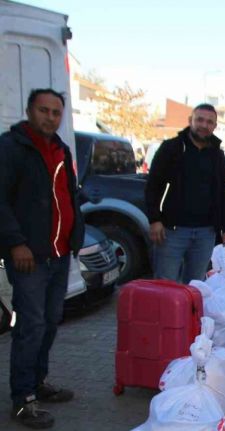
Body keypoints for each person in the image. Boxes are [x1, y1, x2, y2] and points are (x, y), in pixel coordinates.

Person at [0, 89, 85, 429]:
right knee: (31, 327)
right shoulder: (11, 147)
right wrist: (16, 243)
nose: (50, 117)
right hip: (29, 257)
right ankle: (22, 400)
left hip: (59, 254)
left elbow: (67, 195)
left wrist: (75, 235)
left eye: (56, 112)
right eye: (44, 110)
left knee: (50, 322)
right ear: (30, 111)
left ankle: (37, 383)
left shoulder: (61, 149)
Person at [145, 103, 225, 284]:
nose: (204, 125)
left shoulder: (217, 155)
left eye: (209, 122)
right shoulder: (172, 148)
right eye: (199, 120)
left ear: (215, 126)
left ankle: (187, 314)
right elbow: (153, 185)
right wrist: (155, 219)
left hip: (205, 233)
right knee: (165, 285)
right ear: (190, 121)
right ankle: (166, 314)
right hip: (172, 232)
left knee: (195, 287)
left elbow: (224, 192)